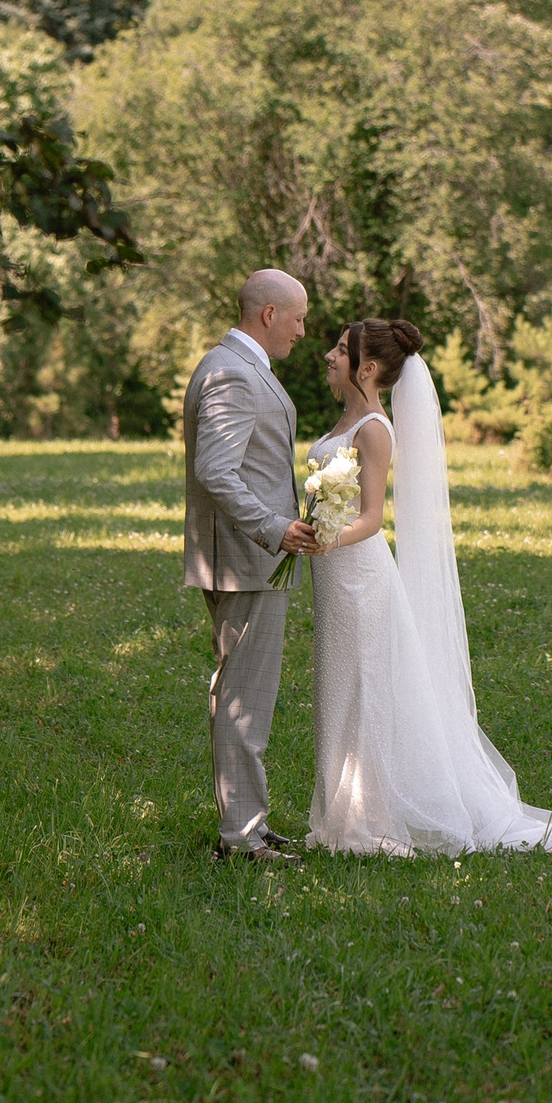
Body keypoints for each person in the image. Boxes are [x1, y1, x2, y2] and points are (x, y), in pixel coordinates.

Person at [304, 318, 552, 856]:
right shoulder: (343, 423)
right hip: (333, 574)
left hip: (358, 577)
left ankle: (364, 825)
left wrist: (327, 539)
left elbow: (373, 517)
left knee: (363, 691)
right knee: (339, 689)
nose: (329, 355)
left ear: (368, 368)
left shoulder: (373, 429)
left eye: (340, 350)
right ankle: (343, 815)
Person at [181, 269, 320, 864]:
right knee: (244, 698)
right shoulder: (234, 373)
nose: (304, 330)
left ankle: (249, 824)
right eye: (299, 317)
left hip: (246, 559)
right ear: (269, 314)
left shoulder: (238, 367)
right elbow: (217, 471)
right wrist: (274, 528)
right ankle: (241, 838)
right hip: (246, 560)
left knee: (241, 695)